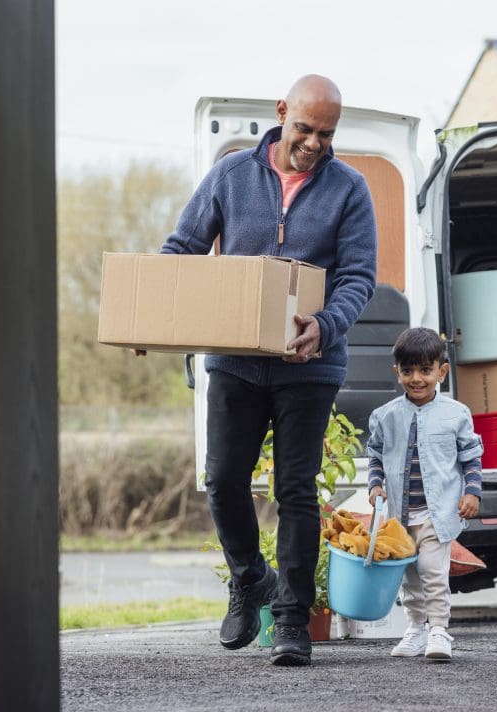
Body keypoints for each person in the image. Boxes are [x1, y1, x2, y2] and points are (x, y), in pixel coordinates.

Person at [138, 75, 377, 666]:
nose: (314, 143)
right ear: (280, 115)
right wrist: (152, 317)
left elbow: (358, 278)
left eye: (326, 133)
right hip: (235, 363)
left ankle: (293, 620)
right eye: (305, 129)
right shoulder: (229, 176)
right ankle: (250, 578)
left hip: (309, 365)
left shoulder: (350, 189)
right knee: (222, 480)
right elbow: (183, 250)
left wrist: (324, 323)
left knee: (295, 490)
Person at [366, 327, 484, 661]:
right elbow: (375, 454)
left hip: (438, 512)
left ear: (441, 372)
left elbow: (471, 457)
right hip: (400, 516)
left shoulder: (456, 414)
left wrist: (472, 492)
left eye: (425, 370)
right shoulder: (386, 416)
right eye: (408, 371)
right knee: (409, 577)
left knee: (433, 571)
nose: (416, 378)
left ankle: (439, 631)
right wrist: (375, 485)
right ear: (397, 372)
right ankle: (415, 629)